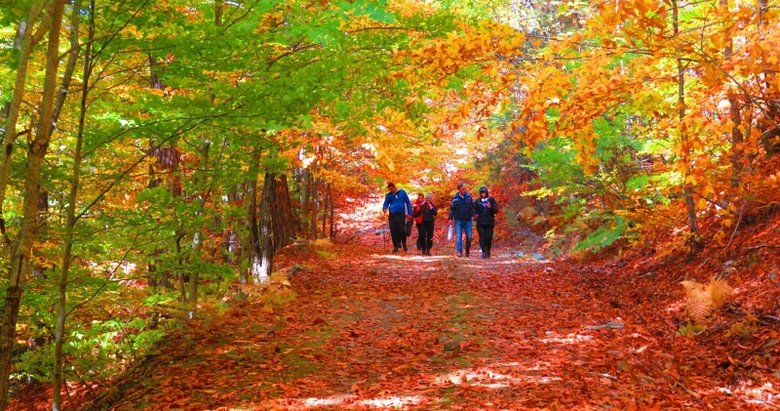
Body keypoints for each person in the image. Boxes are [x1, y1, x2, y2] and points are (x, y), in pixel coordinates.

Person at [382, 182, 413, 253]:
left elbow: (408, 202)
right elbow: (386, 203)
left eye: (391, 189)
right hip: (392, 215)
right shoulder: (388, 195)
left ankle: (404, 243)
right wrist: (384, 208)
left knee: (402, 230)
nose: (390, 190)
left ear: (394, 187)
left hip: (401, 214)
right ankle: (395, 246)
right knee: (393, 231)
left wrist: (409, 213)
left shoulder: (402, 192)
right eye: (389, 189)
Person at [448, 182, 475, 257]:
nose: (465, 190)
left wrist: (473, 215)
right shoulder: (455, 199)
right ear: (459, 189)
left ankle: (467, 251)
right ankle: (459, 251)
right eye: (463, 189)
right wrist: (450, 218)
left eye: (465, 188)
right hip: (458, 220)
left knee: (469, 236)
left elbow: (473, 207)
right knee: (458, 236)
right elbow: (452, 209)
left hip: (468, 220)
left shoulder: (469, 197)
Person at [474, 186, 499, 258]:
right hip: (480, 223)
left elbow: (496, 210)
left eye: (484, 192)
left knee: (489, 237)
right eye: (481, 193)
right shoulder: (477, 201)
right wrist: (475, 215)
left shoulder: (491, 200)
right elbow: (474, 211)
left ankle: (488, 250)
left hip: (489, 223)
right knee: (482, 237)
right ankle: (483, 251)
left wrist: (490, 207)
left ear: (486, 192)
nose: (483, 194)